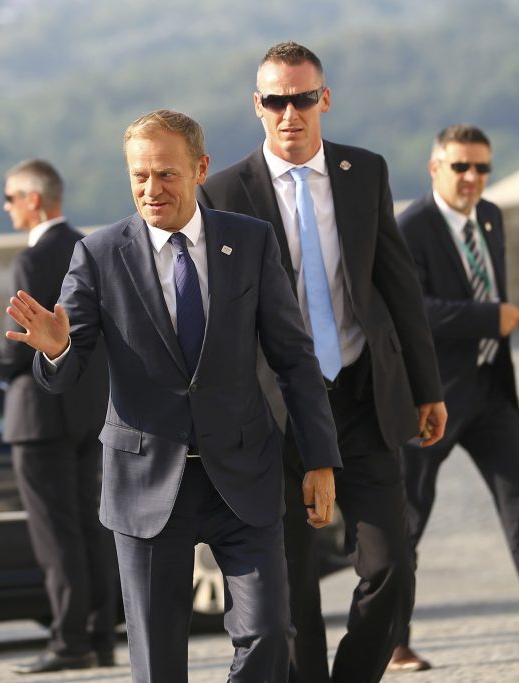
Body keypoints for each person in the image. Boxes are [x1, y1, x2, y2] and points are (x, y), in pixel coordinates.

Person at [4, 109, 342, 683]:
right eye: (139, 176)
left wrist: (320, 458)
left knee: (268, 634)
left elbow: (293, 358)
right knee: (158, 662)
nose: (151, 189)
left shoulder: (250, 242)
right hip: (146, 485)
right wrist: (57, 350)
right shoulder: (98, 254)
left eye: (166, 174)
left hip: (243, 473)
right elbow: (63, 374)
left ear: (200, 169)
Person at [197, 41, 447, 683]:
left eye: (302, 98)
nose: (290, 113)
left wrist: (427, 385)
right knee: (289, 587)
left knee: (391, 564)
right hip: (274, 410)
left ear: (324, 99)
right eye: (275, 100)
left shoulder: (365, 172)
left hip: (362, 395)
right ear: (257, 106)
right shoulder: (224, 191)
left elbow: (397, 287)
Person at [389, 124, 519, 671]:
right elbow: (414, 311)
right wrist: (491, 317)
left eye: (482, 168)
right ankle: (389, 639)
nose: (473, 178)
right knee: (407, 517)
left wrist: (492, 329)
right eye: (461, 167)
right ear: (435, 168)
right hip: (429, 397)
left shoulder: (491, 216)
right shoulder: (411, 229)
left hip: (489, 390)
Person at [0, 160, 117, 673]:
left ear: (34, 200)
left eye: (10, 197)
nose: (6, 207)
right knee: (90, 526)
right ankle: (101, 637)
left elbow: (21, 344)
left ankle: (69, 642)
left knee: (55, 534)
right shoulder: (92, 248)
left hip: (39, 416)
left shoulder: (33, 259)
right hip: (88, 409)